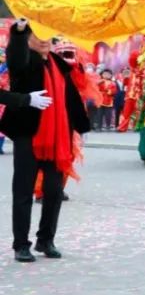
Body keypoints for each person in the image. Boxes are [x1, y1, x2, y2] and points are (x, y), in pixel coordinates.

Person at [3, 20, 89, 262]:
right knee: (23, 191)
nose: (43, 40)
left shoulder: (60, 65)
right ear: (28, 39)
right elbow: (16, 57)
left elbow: (70, 98)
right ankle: (21, 244)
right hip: (28, 134)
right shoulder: (24, 62)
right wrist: (18, 32)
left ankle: (45, 240)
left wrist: (81, 125)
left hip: (57, 138)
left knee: (53, 190)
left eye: (47, 36)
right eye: (37, 35)